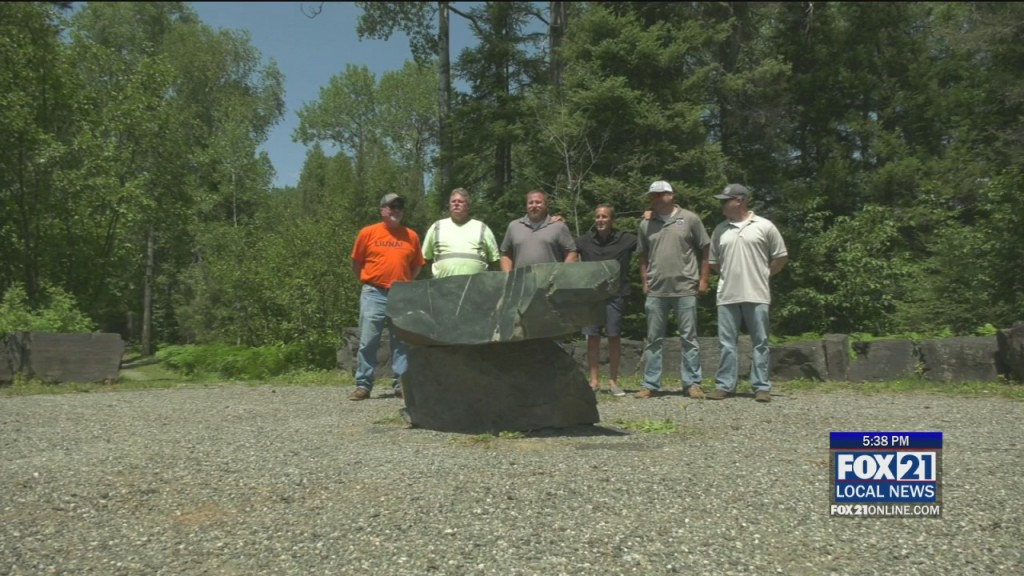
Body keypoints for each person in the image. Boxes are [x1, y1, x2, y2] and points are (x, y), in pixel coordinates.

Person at [706, 184, 788, 403]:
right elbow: (713, 262)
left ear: (740, 200)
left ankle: (761, 387)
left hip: (757, 293)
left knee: (760, 341)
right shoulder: (720, 229)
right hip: (727, 294)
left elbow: (780, 257)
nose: (722, 205)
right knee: (726, 343)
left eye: (726, 200)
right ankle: (724, 385)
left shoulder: (764, 226)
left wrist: (764, 275)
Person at [636, 180, 711, 399]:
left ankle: (692, 383)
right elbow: (642, 254)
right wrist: (644, 281)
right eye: (653, 196)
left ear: (672, 196)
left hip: (685, 287)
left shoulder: (689, 219)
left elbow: (705, 248)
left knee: (689, 338)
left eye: (661, 195)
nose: (657, 199)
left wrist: (703, 279)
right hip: (656, 289)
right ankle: (650, 383)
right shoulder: (645, 224)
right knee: (653, 339)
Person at [349, 193, 425, 401]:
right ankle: (363, 385)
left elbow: (417, 265)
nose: (396, 210)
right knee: (368, 340)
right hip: (374, 292)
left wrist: (404, 282)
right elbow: (356, 262)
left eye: (399, 206)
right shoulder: (368, 233)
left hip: (401, 294)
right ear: (382, 210)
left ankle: (400, 384)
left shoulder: (411, 236)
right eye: (391, 206)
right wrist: (369, 281)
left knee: (400, 340)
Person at [575, 204, 637, 396]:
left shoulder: (626, 239)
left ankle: (613, 382)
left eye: (604, 217)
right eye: (597, 217)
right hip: (592, 296)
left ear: (612, 220)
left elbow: (647, 241)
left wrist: (650, 219)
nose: (600, 220)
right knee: (592, 338)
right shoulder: (584, 241)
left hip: (615, 295)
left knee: (613, 336)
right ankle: (594, 382)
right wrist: (555, 221)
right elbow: (565, 248)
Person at [422, 188, 500, 278]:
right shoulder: (437, 227)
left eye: (460, 201)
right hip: (442, 288)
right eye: (453, 201)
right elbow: (425, 259)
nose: (456, 204)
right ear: (449, 205)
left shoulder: (482, 228)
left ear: (468, 206)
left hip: (476, 288)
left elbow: (494, 261)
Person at [500, 190, 578, 271]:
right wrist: (508, 277)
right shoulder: (514, 226)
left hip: (550, 281)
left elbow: (572, 253)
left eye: (538, 202)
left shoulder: (558, 226)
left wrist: (562, 274)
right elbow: (505, 255)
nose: (534, 205)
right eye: (530, 203)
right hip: (521, 282)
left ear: (546, 205)